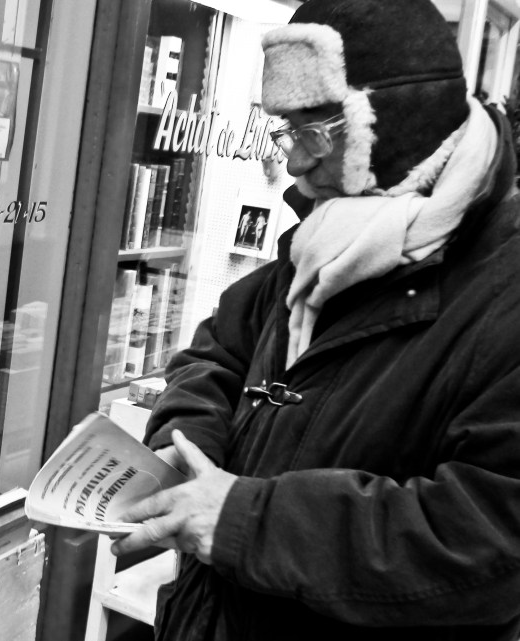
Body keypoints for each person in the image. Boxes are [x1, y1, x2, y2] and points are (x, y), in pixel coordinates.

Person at [109, 1, 520, 639]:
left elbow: (490, 540)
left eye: (316, 132)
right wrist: (184, 449)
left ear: (395, 121)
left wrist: (243, 522)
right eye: (285, 131)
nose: (295, 164)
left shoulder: (503, 287)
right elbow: (216, 354)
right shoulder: (336, 230)